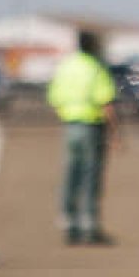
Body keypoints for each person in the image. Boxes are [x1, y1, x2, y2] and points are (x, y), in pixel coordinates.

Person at [46, 30, 118, 245]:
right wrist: (116, 133)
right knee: (90, 177)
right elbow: (106, 101)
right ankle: (89, 224)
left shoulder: (65, 66)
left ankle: (69, 221)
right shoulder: (95, 67)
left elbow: (54, 97)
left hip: (70, 126)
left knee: (70, 174)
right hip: (91, 126)